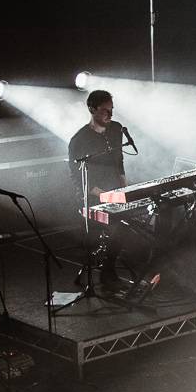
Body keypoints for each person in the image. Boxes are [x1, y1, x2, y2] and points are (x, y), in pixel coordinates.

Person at [67, 89, 129, 288]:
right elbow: (77, 177)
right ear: (92, 109)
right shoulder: (79, 140)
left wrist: (124, 187)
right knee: (118, 227)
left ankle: (109, 266)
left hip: (114, 192)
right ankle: (107, 272)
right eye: (105, 111)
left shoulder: (116, 129)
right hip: (92, 196)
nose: (110, 115)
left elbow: (119, 160)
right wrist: (103, 195)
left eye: (111, 110)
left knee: (129, 225)